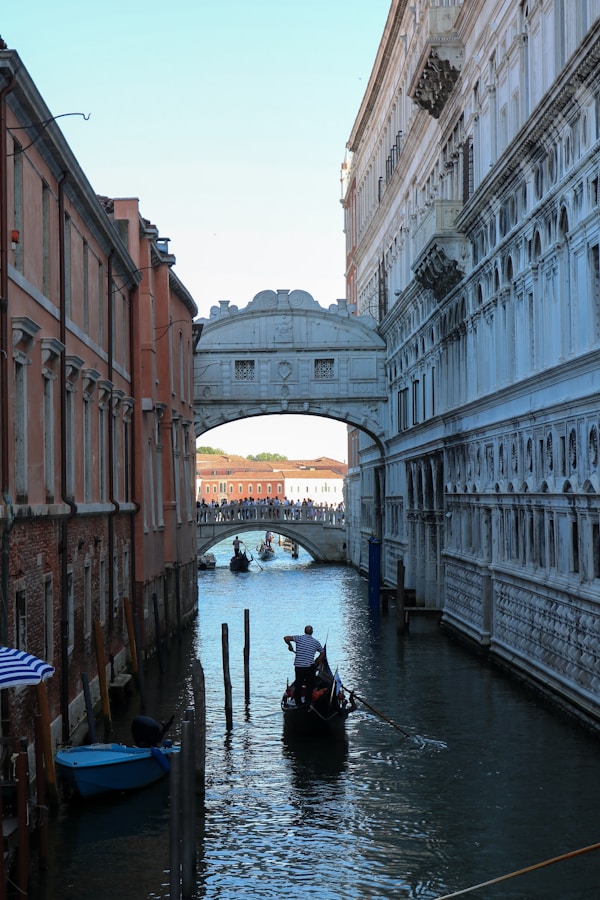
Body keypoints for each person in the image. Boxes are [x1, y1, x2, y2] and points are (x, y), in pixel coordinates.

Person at [283, 626, 325, 706]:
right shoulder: (315, 642)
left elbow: (286, 638)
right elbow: (322, 653)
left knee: (298, 684)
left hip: (299, 666)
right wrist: (316, 661)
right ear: (312, 632)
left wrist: (290, 645)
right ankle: (307, 701)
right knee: (310, 685)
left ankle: (298, 702)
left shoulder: (299, 638)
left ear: (304, 631)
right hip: (309, 666)